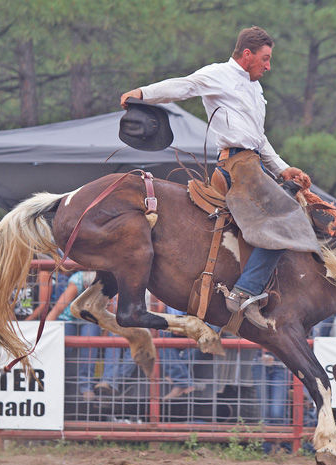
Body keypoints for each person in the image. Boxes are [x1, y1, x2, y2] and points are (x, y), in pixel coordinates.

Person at [120, 26, 313, 329]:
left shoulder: (255, 88)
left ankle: (251, 289)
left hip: (252, 163)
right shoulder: (218, 74)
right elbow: (182, 86)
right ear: (247, 54)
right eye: (265, 59)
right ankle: (245, 291)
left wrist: (283, 169)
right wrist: (142, 93)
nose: (268, 66)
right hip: (237, 166)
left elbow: (258, 139)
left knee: (290, 213)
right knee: (286, 222)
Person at [46, 270, 101, 401]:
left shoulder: (105, 283)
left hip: (90, 319)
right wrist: (45, 328)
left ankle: (86, 387)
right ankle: (52, 383)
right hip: (68, 318)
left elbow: (108, 312)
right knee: (59, 345)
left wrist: (104, 331)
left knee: (90, 342)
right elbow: (59, 307)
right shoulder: (77, 280)